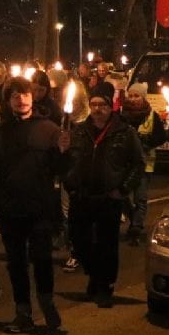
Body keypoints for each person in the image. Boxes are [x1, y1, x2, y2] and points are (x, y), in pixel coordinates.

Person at [0, 79, 71, 335]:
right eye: (14, 95)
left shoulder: (49, 130)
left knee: (42, 258)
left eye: (24, 94)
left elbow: (62, 171)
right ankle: (23, 311)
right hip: (10, 208)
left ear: (32, 97)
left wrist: (63, 152)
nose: (21, 99)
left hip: (40, 208)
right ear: (8, 101)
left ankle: (48, 305)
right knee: (15, 262)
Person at [64, 93, 144, 306]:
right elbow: (66, 161)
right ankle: (94, 273)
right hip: (82, 195)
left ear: (111, 108)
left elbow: (138, 164)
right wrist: (69, 182)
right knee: (78, 240)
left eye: (102, 105)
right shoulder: (79, 131)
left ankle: (104, 286)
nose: (97, 109)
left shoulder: (124, 133)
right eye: (94, 104)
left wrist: (123, 189)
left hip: (108, 196)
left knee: (107, 244)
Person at [117, 83, 168, 244]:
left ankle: (136, 228)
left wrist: (147, 143)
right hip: (125, 164)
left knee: (140, 198)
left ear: (143, 97)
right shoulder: (121, 116)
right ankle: (133, 218)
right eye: (130, 96)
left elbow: (161, 137)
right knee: (122, 195)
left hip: (145, 164)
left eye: (136, 96)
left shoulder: (152, 116)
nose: (133, 99)